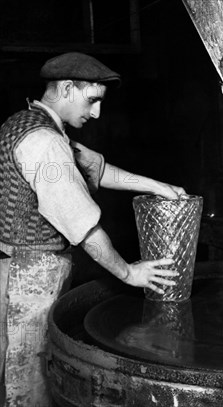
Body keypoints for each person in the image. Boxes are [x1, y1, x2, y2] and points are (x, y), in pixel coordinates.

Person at [0, 52, 185, 406]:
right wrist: (129, 272)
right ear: (68, 88)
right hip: (29, 276)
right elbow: (84, 228)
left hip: (18, 266)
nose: (97, 112)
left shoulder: (26, 123)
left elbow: (95, 169)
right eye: (92, 100)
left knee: (27, 366)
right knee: (30, 379)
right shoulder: (46, 142)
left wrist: (157, 186)